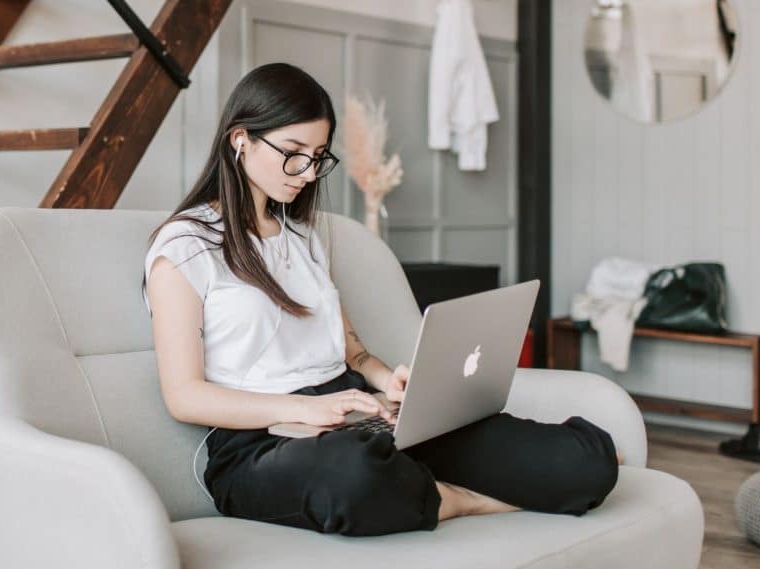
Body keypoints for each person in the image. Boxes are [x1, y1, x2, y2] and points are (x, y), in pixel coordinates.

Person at [142, 62, 621, 537]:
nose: (307, 173)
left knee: (582, 461)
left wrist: (392, 383)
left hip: (357, 418)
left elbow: (354, 352)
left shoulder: (303, 237)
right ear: (240, 139)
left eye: (318, 156)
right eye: (293, 153)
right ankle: (462, 501)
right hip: (262, 447)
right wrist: (300, 409)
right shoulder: (185, 248)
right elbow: (184, 396)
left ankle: (429, 486)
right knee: (356, 475)